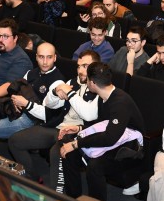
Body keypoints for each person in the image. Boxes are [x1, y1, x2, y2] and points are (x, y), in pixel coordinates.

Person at [51, 62, 144, 201]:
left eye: (87, 79)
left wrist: (77, 144)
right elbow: (101, 125)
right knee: (68, 151)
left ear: (92, 82)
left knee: (95, 166)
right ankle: (73, 199)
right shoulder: (102, 96)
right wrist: (79, 128)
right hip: (115, 137)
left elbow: (109, 138)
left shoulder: (120, 102)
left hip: (130, 146)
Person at [9, 51, 101, 182]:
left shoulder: (99, 88)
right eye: (79, 66)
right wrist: (55, 92)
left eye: (85, 66)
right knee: (15, 141)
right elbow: (48, 105)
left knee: (56, 153)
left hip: (76, 132)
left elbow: (88, 115)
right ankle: (32, 178)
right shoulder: (71, 82)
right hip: (57, 127)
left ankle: (55, 193)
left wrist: (69, 93)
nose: (80, 71)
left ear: (95, 67)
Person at [0, 42, 65, 152]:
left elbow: (47, 116)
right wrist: (15, 100)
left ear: (55, 58)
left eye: (49, 57)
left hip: (32, 120)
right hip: (16, 110)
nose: (45, 62)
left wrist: (26, 104)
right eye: (41, 57)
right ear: (36, 57)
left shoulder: (58, 83)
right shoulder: (31, 73)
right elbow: (17, 89)